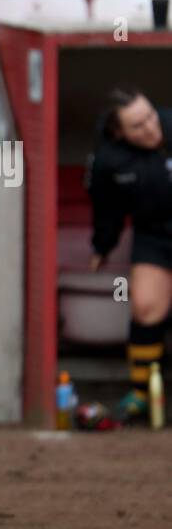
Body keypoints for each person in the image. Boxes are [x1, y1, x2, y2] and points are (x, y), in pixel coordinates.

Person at [86, 87, 172, 423]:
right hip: (152, 235)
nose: (151, 128)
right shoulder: (109, 161)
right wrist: (102, 247)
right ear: (118, 132)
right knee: (146, 306)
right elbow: (107, 211)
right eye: (138, 126)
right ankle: (141, 394)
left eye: (151, 117)